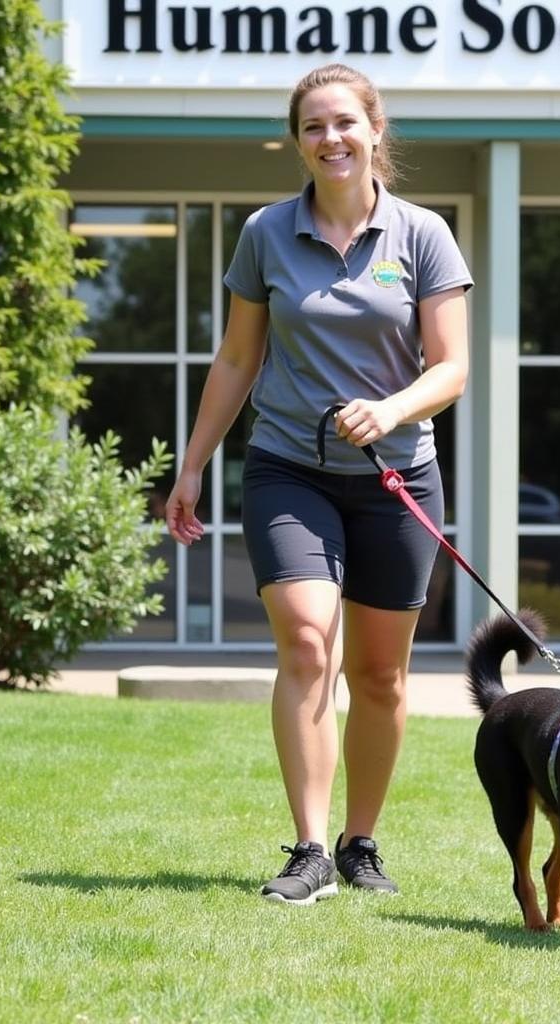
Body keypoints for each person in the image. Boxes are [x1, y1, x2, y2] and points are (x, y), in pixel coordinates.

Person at [165, 62, 472, 905]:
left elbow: (452, 369)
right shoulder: (267, 232)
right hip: (288, 469)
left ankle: (360, 842)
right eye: (313, 126)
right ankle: (308, 850)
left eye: (344, 123)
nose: (330, 139)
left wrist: (392, 408)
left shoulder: (422, 235)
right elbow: (237, 358)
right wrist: (193, 464)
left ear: (375, 131)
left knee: (380, 676)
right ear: (297, 141)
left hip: (398, 476)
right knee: (306, 640)